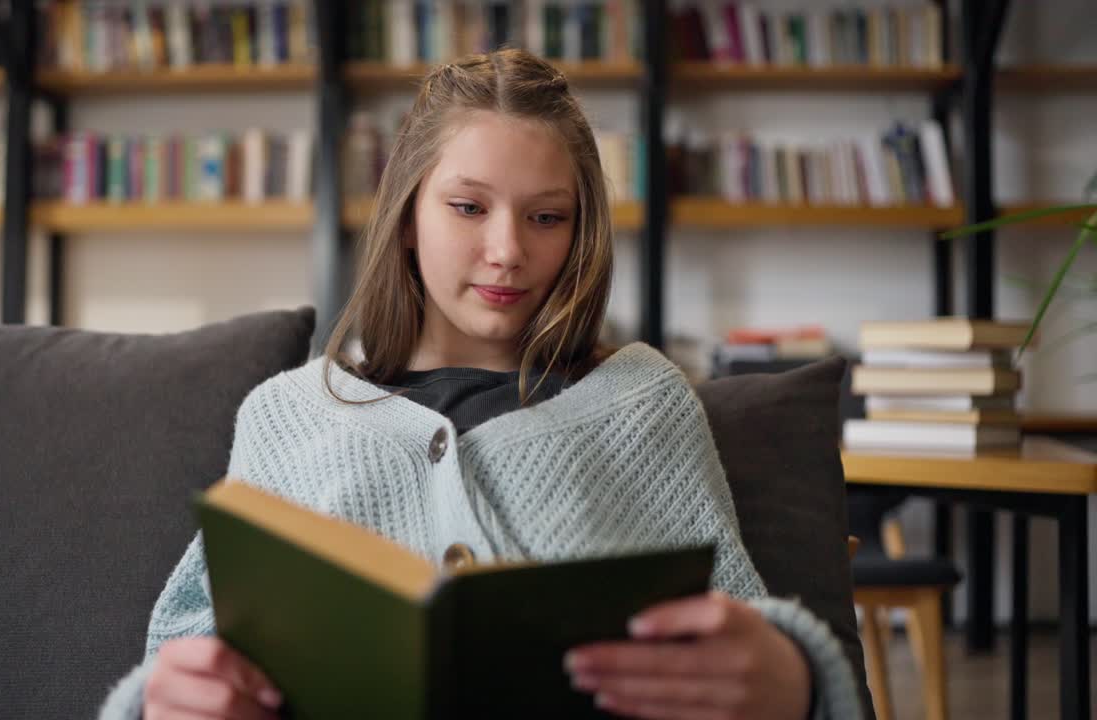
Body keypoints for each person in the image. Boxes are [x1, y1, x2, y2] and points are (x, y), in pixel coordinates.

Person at [99, 48, 862, 720]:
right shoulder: (288, 415)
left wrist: (794, 680)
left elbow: (741, 629)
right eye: (468, 207)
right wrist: (164, 702)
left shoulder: (644, 403)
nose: (506, 251)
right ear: (406, 214)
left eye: (547, 218)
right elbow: (184, 651)